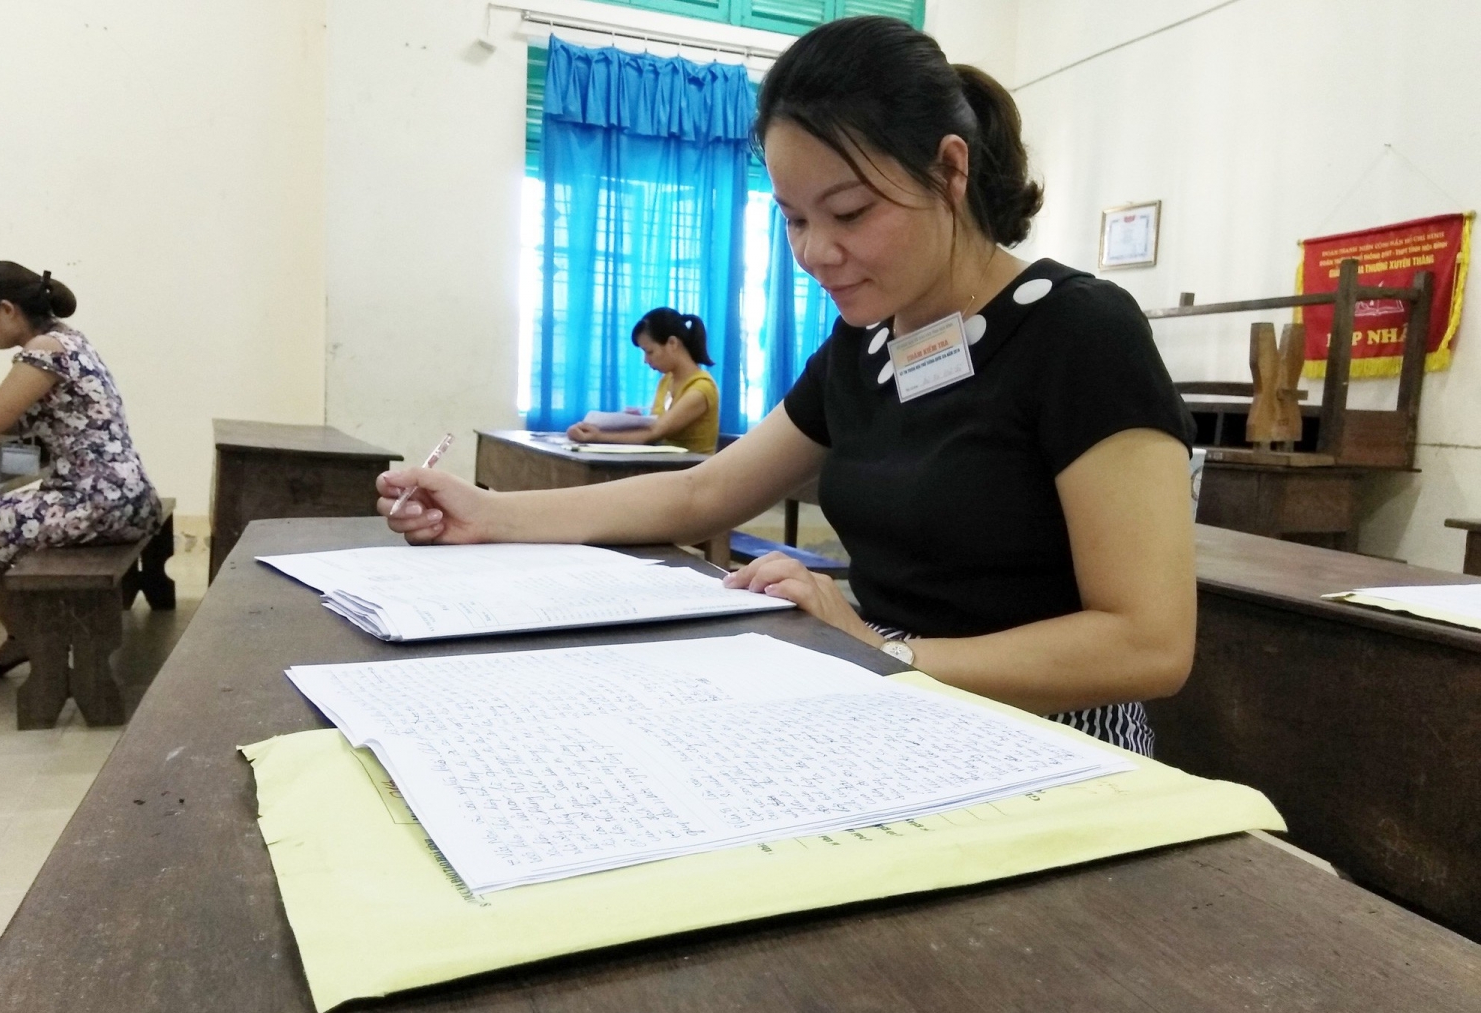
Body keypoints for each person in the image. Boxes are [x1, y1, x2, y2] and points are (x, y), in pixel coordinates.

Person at [379, 16, 1197, 755]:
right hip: (893, 709)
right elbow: (702, 494)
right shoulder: (866, 343)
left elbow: (1149, 642)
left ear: (950, 170)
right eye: (795, 218)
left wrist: (886, 652)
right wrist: (489, 513)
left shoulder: (1079, 331)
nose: (814, 253)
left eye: (850, 212)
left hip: (1057, 743)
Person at [0, 262, 162, 678]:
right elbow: (15, 427)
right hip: (126, 498)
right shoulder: (69, 340)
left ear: (6, 309)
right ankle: (26, 632)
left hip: (97, 503)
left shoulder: (43, 351)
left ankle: (31, 640)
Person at [565, 307, 721, 455]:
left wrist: (598, 436)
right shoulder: (666, 381)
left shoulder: (701, 388)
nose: (646, 360)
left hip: (693, 470)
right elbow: (653, 427)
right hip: (665, 465)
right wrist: (632, 422)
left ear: (672, 343)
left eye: (649, 351)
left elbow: (654, 432)